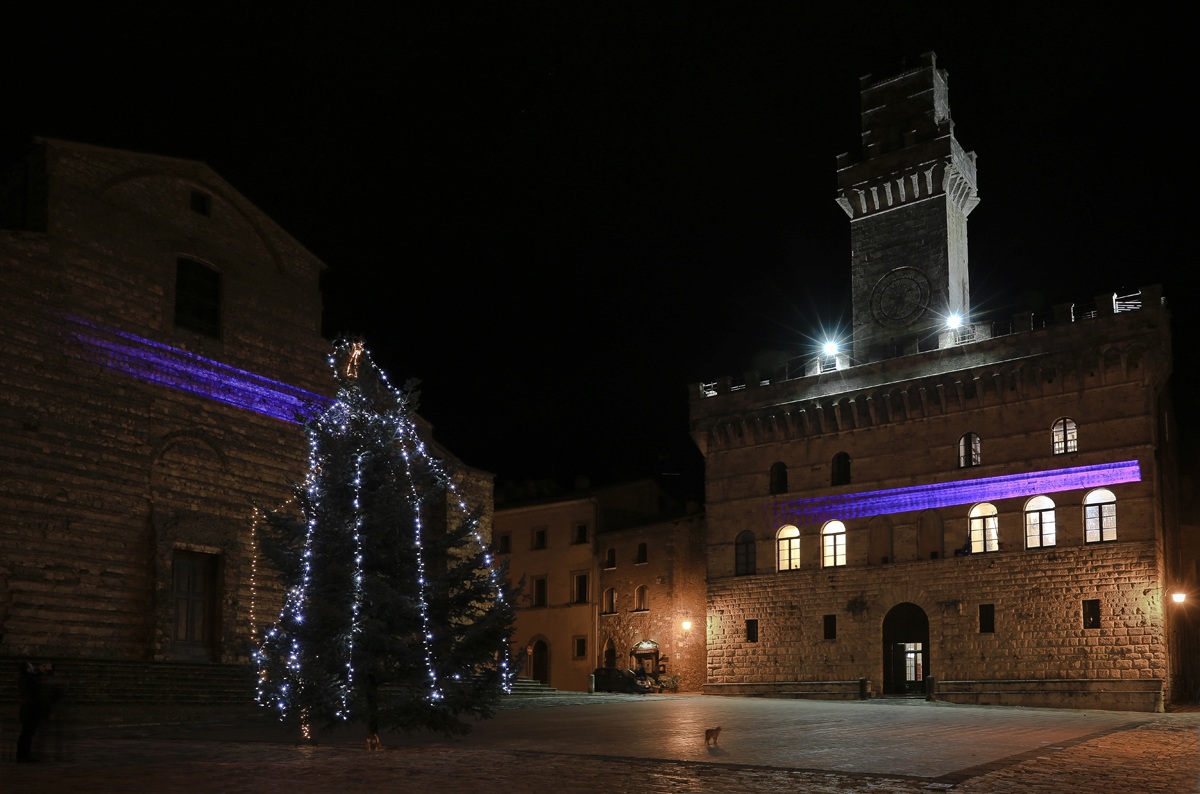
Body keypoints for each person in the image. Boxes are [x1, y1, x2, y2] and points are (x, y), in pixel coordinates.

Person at [16, 662, 57, 763]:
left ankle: (23, 755)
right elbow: (36, 681)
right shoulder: (28, 679)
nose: (33, 668)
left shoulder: (27, 678)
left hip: (29, 710)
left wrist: (42, 671)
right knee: (27, 734)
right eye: (31, 667)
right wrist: (42, 671)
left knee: (27, 734)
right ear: (27, 669)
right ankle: (23, 755)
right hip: (30, 710)